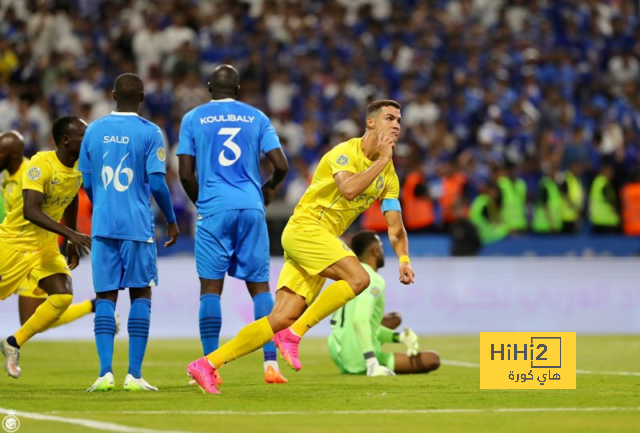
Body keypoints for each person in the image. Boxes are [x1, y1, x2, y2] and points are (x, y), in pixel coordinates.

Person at [187, 99, 415, 394]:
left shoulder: (389, 176)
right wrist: (383, 160)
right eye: (389, 118)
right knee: (359, 278)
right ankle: (295, 335)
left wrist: (404, 259)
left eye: (399, 120)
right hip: (305, 229)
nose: (396, 124)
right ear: (370, 122)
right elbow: (348, 190)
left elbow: (395, 227)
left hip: (321, 242)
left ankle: (206, 364)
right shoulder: (344, 153)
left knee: (280, 317)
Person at [177, 64, 289, 384]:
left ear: (210, 87)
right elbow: (281, 165)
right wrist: (268, 188)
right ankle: (271, 365)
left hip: (215, 208)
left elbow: (185, 173)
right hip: (251, 206)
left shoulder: (193, 118)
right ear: (238, 90)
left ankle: (210, 367)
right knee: (259, 289)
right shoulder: (257, 117)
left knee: (211, 289)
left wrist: (204, 202)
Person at [79, 73, 179, 392]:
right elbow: (160, 183)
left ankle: (104, 373)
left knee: (106, 296)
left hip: (103, 226)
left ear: (112, 95)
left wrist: (105, 206)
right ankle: (134, 375)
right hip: (137, 226)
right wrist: (172, 219)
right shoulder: (150, 132)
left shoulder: (92, 130)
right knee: (141, 294)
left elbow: (88, 183)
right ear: (142, 97)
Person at [0, 118, 92, 379]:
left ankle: (13, 343)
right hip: (13, 244)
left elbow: (72, 196)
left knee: (63, 295)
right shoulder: (41, 164)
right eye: (83, 136)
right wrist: (70, 232)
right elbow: (30, 210)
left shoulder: (78, 168)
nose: (87, 140)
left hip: (45, 246)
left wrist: (71, 241)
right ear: (66, 140)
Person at [0, 131, 114, 333]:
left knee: (30, 318)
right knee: (31, 318)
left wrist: (70, 234)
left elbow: (61, 198)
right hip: (11, 247)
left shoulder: (31, 171)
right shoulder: (7, 177)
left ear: (14, 155)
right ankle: (93, 306)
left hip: (32, 250)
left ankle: (93, 306)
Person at [328, 231, 440, 376]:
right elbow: (360, 321)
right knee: (433, 359)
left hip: (339, 354)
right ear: (375, 250)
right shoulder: (372, 279)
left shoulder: (347, 277)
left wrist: (399, 337)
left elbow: (361, 325)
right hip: (358, 358)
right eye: (381, 247)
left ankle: (365, 358)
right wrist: (371, 361)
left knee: (393, 318)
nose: (383, 251)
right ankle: (372, 363)